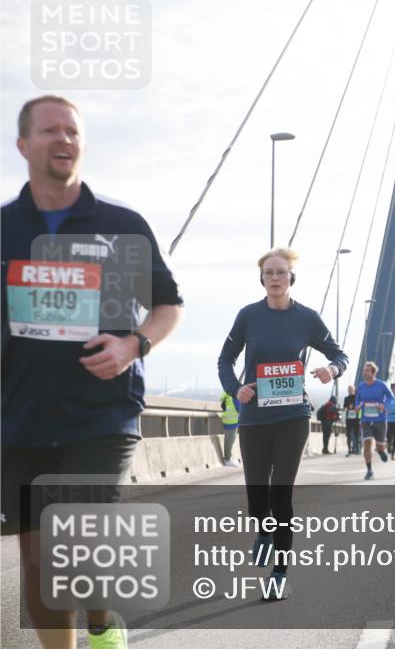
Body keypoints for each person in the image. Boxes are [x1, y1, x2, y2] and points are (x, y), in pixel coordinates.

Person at [2, 95, 184, 649]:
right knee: (37, 561)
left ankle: (101, 622)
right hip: (19, 418)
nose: (64, 140)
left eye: (73, 132)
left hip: (100, 415)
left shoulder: (120, 225)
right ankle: (89, 634)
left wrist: (135, 344)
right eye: (51, 131)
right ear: (23, 144)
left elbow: (168, 305)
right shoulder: (5, 229)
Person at [218, 247, 348, 599]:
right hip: (255, 418)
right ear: (262, 279)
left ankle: (279, 573)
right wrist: (236, 389)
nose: (275, 278)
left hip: (293, 417)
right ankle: (262, 531)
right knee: (257, 496)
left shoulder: (307, 318)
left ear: (292, 278)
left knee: (281, 495)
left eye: (281, 272)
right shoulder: (248, 316)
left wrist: (330, 370)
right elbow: (225, 360)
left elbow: (339, 355)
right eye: (269, 273)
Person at [356, 361, 394, 480]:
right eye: (364, 371)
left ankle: (381, 451)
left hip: (380, 419)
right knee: (367, 444)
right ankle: (369, 470)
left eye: (367, 371)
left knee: (380, 446)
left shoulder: (381, 385)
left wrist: (384, 406)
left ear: (373, 373)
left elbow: (390, 397)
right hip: (366, 419)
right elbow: (358, 399)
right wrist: (357, 406)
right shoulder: (361, 386)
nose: (364, 373)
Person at [220, 391, 241, 465]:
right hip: (233, 421)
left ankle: (228, 458)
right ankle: (228, 459)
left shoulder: (226, 393)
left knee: (228, 440)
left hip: (227, 419)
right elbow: (240, 408)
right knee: (230, 440)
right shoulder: (234, 394)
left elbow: (222, 405)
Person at [343, 385, 360, 456]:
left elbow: (360, 406)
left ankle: (357, 449)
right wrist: (347, 408)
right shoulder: (346, 398)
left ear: (354, 390)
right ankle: (349, 450)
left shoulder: (357, 397)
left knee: (357, 434)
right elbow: (345, 408)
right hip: (349, 418)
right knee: (349, 434)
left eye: (351, 389)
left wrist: (357, 409)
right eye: (349, 389)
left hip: (356, 418)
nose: (350, 390)